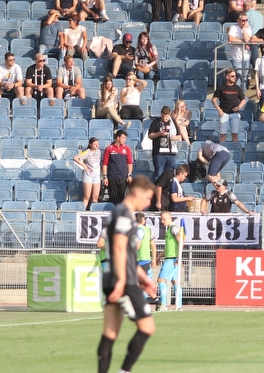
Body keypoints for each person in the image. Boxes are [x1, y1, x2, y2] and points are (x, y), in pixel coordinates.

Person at [97, 175, 156, 373]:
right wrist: (122, 282)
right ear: (137, 193)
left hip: (115, 277)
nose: (148, 204)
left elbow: (129, 254)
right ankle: (125, 371)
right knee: (147, 327)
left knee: (111, 332)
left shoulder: (121, 214)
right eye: (147, 198)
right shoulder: (123, 214)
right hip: (122, 279)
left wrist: (145, 279)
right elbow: (120, 250)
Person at [155, 211, 181, 311]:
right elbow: (168, 248)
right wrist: (159, 256)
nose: (162, 221)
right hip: (172, 258)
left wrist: (179, 257)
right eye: (161, 219)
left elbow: (181, 242)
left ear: (170, 218)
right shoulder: (170, 229)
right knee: (175, 282)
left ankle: (163, 305)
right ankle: (179, 306)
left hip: (172, 259)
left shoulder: (173, 228)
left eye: (164, 219)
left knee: (160, 279)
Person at [147, 106, 180, 182]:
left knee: (169, 175)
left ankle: (167, 191)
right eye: (163, 116)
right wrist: (159, 133)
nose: (164, 119)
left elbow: (179, 136)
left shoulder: (173, 122)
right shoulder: (156, 122)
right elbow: (150, 135)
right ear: (161, 114)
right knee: (159, 173)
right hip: (159, 153)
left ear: (170, 115)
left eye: (166, 117)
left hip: (171, 153)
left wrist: (175, 138)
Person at [213, 68, 246, 142]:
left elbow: (243, 100)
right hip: (224, 113)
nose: (235, 77)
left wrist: (239, 107)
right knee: (222, 134)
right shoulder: (221, 88)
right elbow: (214, 99)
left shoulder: (237, 88)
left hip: (234, 114)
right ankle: (222, 151)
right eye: (232, 76)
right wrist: (219, 109)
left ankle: (234, 150)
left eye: (235, 76)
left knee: (235, 134)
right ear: (227, 77)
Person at [102, 129, 134, 204]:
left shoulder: (127, 149)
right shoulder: (109, 148)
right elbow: (105, 164)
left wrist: (129, 175)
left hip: (123, 177)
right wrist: (105, 177)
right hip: (112, 177)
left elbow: (129, 163)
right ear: (118, 138)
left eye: (125, 138)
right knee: (113, 198)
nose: (125, 140)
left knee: (122, 198)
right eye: (123, 138)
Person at [74, 138, 103, 209]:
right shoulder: (87, 152)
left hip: (96, 175)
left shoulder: (99, 152)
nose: (97, 146)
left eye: (98, 144)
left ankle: (94, 211)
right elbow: (75, 158)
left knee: (95, 196)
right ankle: (83, 211)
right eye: (95, 144)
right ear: (90, 144)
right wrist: (84, 165)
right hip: (88, 175)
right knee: (87, 195)